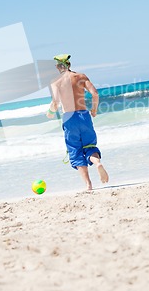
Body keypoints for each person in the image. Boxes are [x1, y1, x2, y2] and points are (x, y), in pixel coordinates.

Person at [46, 54, 109, 191]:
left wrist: (50, 112)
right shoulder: (81, 76)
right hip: (84, 116)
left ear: (58, 67)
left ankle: (88, 185)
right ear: (69, 64)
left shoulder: (56, 81)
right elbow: (95, 94)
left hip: (69, 118)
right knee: (90, 145)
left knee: (75, 150)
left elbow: (56, 101)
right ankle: (97, 162)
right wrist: (94, 109)